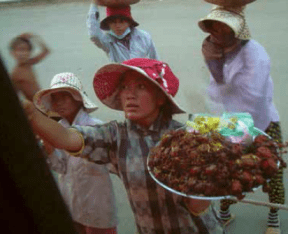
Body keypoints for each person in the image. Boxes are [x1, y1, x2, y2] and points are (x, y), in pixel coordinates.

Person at [24, 58, 224, 234]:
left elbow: (198, 206)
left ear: (160, 97)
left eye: (141, 87)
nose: (130, 95)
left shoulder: (185, 137)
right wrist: (31, 115)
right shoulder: (115, 136)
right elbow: (67, 138)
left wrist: (204, 191)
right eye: (125, 88)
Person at [198, 5, 285, 234]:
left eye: (223, 26)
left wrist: (221, 84)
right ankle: (225, 212)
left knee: (272, 171)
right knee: (227, 173)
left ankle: (274, 214)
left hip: (262, 121)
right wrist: (214, 66)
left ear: (235, 31)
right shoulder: (217, 52)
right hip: (231, 124)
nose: (216, 31)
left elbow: (252, 97)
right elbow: (212, 93)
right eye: (213, 26)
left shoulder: (255, 54)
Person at [33, 72, 118, 234]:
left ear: (78, 98)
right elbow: (60, 168)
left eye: (64, 97)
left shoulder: (97, 128)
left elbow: (114, 164)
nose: (58, 103)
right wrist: (49, 146)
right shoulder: (58, 131)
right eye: (55, 98)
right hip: (72, 205)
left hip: (97, 206)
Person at [86, 1, 159, 62]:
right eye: (113, 22)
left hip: (142, 76)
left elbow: (155, 61)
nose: (117, 25)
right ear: (108, 24)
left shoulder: (144, 37)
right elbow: (94, 35)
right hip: (120, 77)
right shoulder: (108, 41)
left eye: (121, 21)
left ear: (129, 22)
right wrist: (94, 4)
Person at [9, 32, 50, 101]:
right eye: (19, 50)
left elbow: (46, 51)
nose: (22, 54)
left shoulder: (29, 63)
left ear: (30, 52)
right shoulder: (15, 74)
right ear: (12, 53)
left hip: (45, 100)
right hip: (36, 105)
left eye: (26, 50)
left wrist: (33, 37)